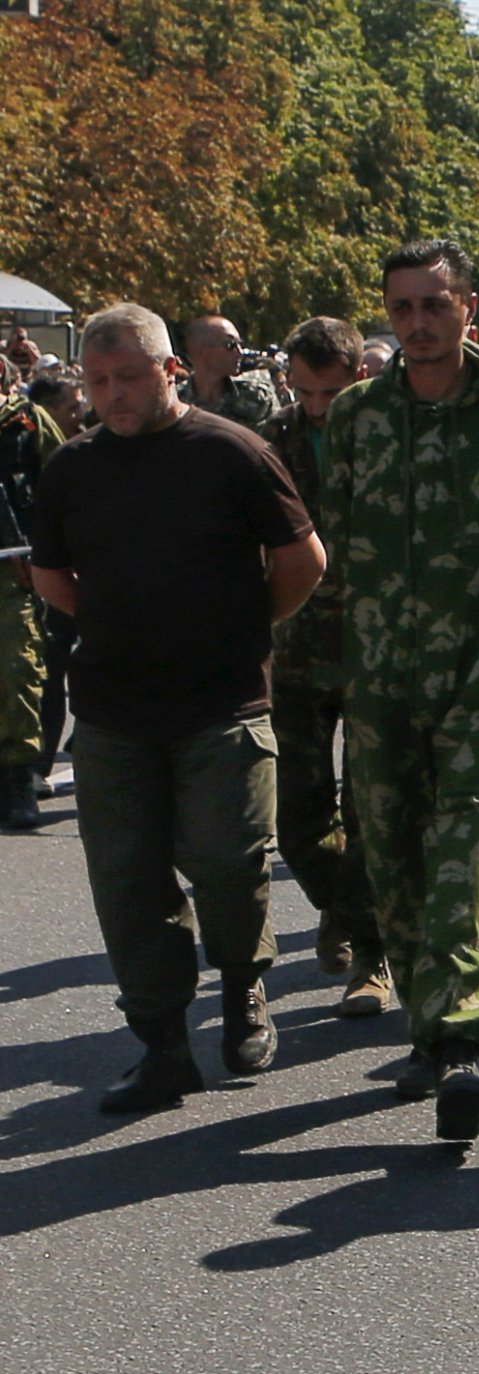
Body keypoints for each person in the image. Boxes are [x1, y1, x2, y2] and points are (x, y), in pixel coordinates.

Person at [28, 303, 325, 1110]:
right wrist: (117, 622)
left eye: (130, 377)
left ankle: (243, 992)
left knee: (229, 861)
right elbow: (51, 576)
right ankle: (161, 1043)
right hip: (115, 710)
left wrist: (242, 625)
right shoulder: (72, 468)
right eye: (99, 382)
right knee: (128, 879)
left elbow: (303, 559)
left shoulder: (232, 451)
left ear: (169, 371)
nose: (115, 395)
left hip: (221, 700)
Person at [325, 240, 479, 1143]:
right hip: (382, 682)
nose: (418, 324)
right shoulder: (357, 417)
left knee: (470, 852)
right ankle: (429, 1028)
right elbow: (336, 538)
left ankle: (462, 1041)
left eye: (434, 305)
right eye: (401, 309)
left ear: (469, 309)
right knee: (394, 858)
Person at [262, 315, 392, 1018]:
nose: (316, 407)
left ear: (358, 378)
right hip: (295, 651)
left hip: (375, 651)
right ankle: (344, 907)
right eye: (305, 392)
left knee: (371, 813)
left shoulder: (388, 434)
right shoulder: (271, 441)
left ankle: (373, 958)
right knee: (299, 823)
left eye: (329, 393)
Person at [0, 377, 62, 829]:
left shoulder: (28, 420)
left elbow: (64, 482)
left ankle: (20, 779)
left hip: (14, 571)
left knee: (19, 669)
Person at [180, 317, 277, 428]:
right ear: (201, 350)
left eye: (240, 344)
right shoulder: (176, 401)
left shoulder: (257, 396)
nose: (240, 353)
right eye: (230, 345)